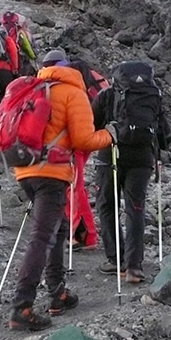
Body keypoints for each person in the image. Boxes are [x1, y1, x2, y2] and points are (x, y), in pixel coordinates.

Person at [8, 61, 114, 331]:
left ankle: (58, 294)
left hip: (23, 169)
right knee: (42, 237)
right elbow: (83, 140)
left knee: (58, 227)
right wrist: (109, 135)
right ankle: (22, 306)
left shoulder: (35, 87)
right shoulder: (72, 92)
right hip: (52, 173)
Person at [91, 64, 171, 283]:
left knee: (107, 206)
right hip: (143, 158)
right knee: (135, 208)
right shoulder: (154, 95)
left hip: (111, 154)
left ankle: (116, 261)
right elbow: (165, 133)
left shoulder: (107, 94)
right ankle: (134, 267)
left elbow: (92, 123)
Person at [64, 58, 110, 251]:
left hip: (76, 141)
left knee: (72, 185)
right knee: (76, 185)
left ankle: (83, 235)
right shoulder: (97, 80)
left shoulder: (72, 86)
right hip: (94, 138)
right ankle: (86, 234)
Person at [2, 11, 37, 76]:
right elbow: (26, 45)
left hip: (4, 59)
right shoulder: (19, 31)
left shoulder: (1, 29)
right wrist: (33, 56)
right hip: (18, 57)